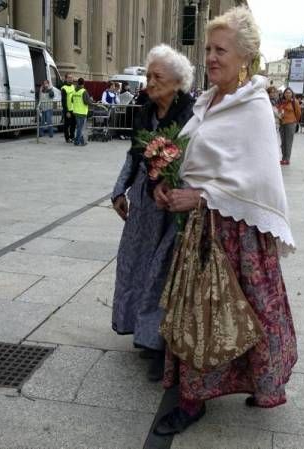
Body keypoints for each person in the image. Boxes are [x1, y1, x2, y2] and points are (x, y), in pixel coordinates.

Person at [152, 6, 297, 436]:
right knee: (200, 313)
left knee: (249, 310)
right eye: (209, 49)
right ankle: (193, 398)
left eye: (221, 50)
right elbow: (190, 156)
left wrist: (199, 195)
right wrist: (164, 180)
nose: (211, 57)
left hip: (237, 233)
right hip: (200, 227)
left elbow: (256, 174)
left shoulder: (253, 107)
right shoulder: (207, 100)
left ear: (245, 57)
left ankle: (256, 381)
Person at [111, 44, 195, 382]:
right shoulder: (145, 109)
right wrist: (119, 189)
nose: (149, 82)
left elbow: (195, 159)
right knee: (136, 262)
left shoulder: (190, 113)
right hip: (145, 203)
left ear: (178, 81)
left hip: (173, 202)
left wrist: (176, 186)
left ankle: (162, 345)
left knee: (164, 271)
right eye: (148, 75)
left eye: (157, 76)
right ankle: (142, 331)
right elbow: (134, 153)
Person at [277, 87, 301, 165]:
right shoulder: (281, 102)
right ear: (284, 94)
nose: (287, 94)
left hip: (290, 123)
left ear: (292, 94)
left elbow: (298, 113)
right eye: (286, 92)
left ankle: (287, 159)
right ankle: (283, 158)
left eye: (289, 92)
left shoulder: (295, 102)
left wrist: (294, 121)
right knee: (283, 142)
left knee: (288, 142)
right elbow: (278, 111)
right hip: (282, 123)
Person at [71, 78, 96, 146]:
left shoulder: (74, 91)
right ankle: (77, 141)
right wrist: (92, 101)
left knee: (79, 127)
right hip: (82, 112)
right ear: (83, 83)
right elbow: (86, 102)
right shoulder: (84, 91)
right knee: (80, 128)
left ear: (77, 83)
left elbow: (72, 101)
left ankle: (82, 141)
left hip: (75, 111)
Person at [61, 73, 76, 143]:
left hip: (74, 109)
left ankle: (72, 137)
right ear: (66, 79)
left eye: (71, 77)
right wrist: (66, 111)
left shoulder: (73, 86)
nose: (71, 79)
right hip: (68, 110)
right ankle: (67, 138)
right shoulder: (64, 88)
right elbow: (63, 101)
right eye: (69, 78)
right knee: (67, 125)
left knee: (73, 124)